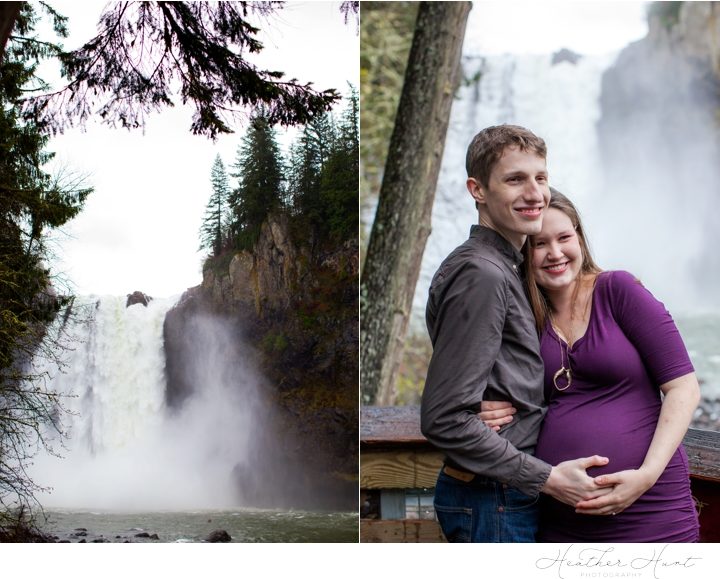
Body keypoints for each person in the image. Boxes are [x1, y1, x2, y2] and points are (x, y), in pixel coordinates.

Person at [420, 125, 613, 543]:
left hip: (502, 494)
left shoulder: (503, 267)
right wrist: (547, 478)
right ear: (478, 190)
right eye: (515, 179)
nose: (535, 194)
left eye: (540, 178)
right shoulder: (482, 274)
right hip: (493, 497)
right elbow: (443, 417)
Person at [493, 189, 700, 542]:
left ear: (580, 239)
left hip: (652, 508)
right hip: (561, 521)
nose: (555, 253)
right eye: (540, 244)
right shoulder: (524, 316)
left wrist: (645, 476)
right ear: (525, 254)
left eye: (564, 238)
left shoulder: (618, 290)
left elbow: (684, 387)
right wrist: (486, 409)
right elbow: (505, 392)